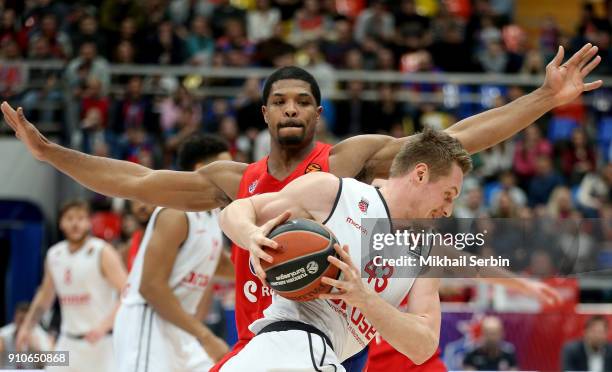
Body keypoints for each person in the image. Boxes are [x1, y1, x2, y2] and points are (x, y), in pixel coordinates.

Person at [0, 42, 602, 371]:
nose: (291, 109)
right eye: (279, 100)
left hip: (350, 338)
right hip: (266, 339)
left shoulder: (346, 164)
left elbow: (454, 144)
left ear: (317, 113)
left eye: (303, 101)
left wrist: (544, 100)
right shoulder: (234, 180)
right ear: (264, 114)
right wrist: (52, 154)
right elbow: (135, 180)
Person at [217, 128, 470, 370]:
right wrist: (251, 234)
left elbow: (423, 346)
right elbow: (237, 210)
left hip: (327, 355)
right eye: (448, 194)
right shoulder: (335, 193)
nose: (448, 210)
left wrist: (364, 298)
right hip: (289, 341)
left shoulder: (427, 249)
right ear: (421, 174)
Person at [114, 134, 235, 372]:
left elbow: (219, 265)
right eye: (228, 168)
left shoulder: (212, 214)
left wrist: (271, 275)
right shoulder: (175, 212)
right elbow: (151, 288)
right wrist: (205, 336)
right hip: (148, 323)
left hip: (180, 326)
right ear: (204, 170)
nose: (235, 175)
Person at [16, 200, 127, 372]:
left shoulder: (102, 251)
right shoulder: (54, 254)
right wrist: (27, 326)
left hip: (101, 343)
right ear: (61, 223)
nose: (75, 223)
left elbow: (127, 292)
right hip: (68, 341)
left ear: (89, 222)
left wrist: (104, 325)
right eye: (70, 218)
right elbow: (45, 295)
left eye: (81, 218)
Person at [0, 302, 53, 369]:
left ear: (32, 320)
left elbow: (48, 365)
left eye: (25, 321)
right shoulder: (3, 334)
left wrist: (34, 349)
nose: (22, 325)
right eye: (20, 320)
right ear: (14, 318)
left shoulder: (41, 335)